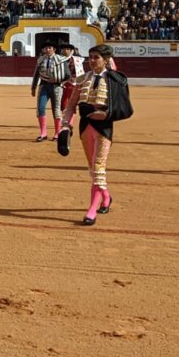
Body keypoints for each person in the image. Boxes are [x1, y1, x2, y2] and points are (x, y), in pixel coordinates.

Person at [61, 44, 129, 225]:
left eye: (96, 57)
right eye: (90, 57)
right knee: (93, 169)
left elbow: (125, 108)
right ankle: (106, 196)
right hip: (85, 127)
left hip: (104, 127)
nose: (91, 61)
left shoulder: (116, 79)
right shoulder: (82, 79)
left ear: (106, 60)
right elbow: (71, 105)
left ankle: (92, 211)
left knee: (98, 167)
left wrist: (106, 114)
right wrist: (65, 126)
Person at [30, 41, 70, 141]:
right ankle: (43, 133)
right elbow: (36, 74)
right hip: (44, 86)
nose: (48, 50)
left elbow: (67, 75)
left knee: (56, 109)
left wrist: (58, 80)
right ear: (43, 50)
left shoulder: (61, 59)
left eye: (50, 48)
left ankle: (57, 133)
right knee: (40, 108)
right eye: (46, 48)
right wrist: (33, 87)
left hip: (57, 86)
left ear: (54, 49)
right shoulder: (41, 60)